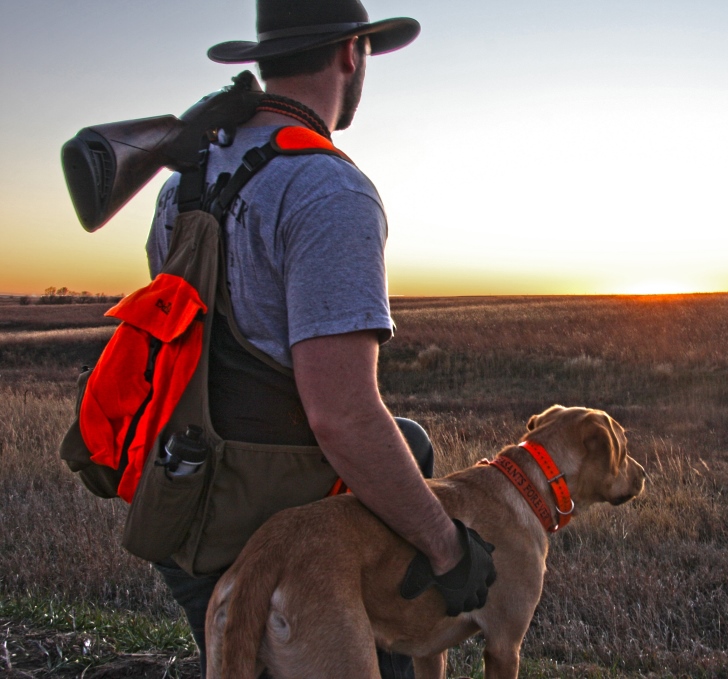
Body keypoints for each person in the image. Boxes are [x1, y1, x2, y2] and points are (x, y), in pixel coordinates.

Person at [144, 1, 495, 677]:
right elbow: (340, 414)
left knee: (411, 438)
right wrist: (447, 547)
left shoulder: (181, 184)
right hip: (283, 539)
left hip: (187, 507)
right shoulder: (328, 189)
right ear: (350, 53)